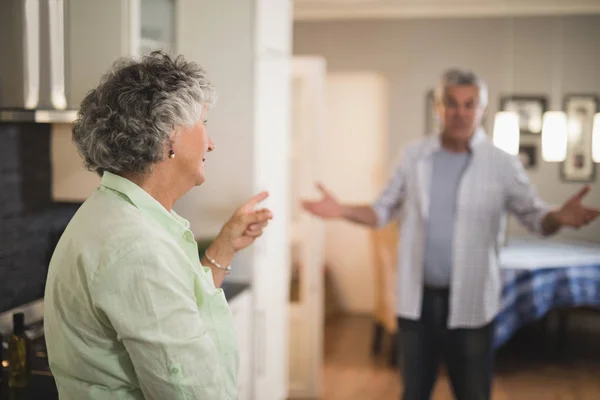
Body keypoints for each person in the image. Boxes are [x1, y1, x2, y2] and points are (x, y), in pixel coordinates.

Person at [302, 68, 600, 400]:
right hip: (417, 303)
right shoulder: (414, 156)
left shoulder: (501, 163)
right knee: (414, 391)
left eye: (469, 104)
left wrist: (558, 215)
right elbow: (382, 209)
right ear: (438, 107)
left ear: (482, 109)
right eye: (452, 103)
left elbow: (534, 217)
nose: (460, 112)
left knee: (473, 392)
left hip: (472, 303)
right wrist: (342, 209)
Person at [44, 51, 272, 399]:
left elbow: (175, 307)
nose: (211, 142)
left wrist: (224, 245)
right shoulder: (136, 246)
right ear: (170, 136)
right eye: (203, 124)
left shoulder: (122, 216)